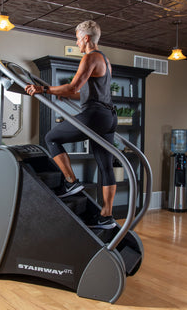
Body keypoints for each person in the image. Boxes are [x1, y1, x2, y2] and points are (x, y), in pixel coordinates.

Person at [25, 20, 118, 229]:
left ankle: (71, 181)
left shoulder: (89, 57)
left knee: (51, 138)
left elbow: (73, 86)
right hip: (109, 116)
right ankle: (106, 216)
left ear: (86, 38)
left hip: (95, 115)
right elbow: (84, 91)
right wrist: (62, 93)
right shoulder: (105, 60)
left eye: (77, 38)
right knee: (105, 166)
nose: (76, 43)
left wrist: (44, 90)